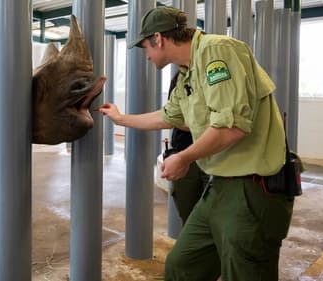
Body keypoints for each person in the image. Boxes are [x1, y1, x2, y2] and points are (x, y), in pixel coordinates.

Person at [99, 6, 293, 281]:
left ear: (159, 38)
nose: (146, 55)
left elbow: (232, 127)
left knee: (246, 270)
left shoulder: (218, 52)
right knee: (182, 265)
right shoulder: (187, 74)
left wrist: (184, 157)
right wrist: (121, 119)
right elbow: (169, 116)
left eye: (145, 47)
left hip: (252, 185)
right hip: (220, 183)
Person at [166, 72, 209, 225]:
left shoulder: (212, 76)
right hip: (184, 154)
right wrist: (207, 128)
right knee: (188, 213)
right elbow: (173, 118)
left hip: (213, 156)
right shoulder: (180, 79)